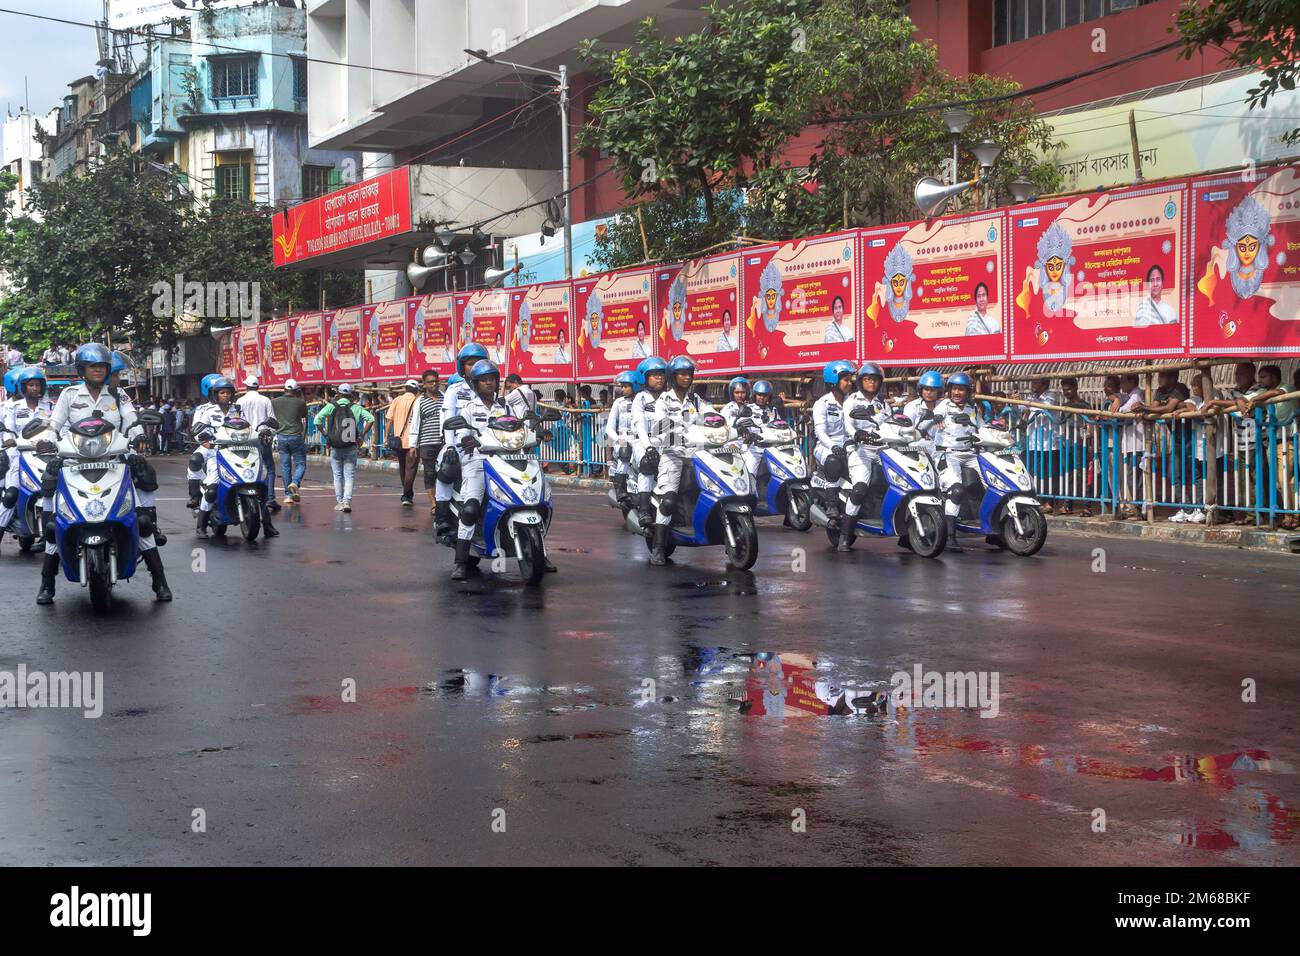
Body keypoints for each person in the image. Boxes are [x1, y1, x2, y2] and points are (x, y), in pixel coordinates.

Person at [40, 344, 171, 603]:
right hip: (74, 462)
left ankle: (159, 580)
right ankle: (47, 584)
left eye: (102, 366)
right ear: (82, 369)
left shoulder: (118, 394)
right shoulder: (69, 395)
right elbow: (54, 425)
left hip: (114, 461)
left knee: (141, 520)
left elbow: (132, 420)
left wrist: (140, 436)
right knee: (55, 523)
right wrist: (47, 440)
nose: (98, 370)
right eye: (93, 366)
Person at [647, 356, 713, 565]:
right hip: (672, 456)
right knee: (668, 500)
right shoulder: (663, 401)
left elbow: (711, 416)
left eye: (689, 374)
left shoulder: (695, 400)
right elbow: (660, 428)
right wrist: (678, 439)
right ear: (673, 377)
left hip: (697, 455)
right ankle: (658, 548)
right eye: (682, 374)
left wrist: (730, 427)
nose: (686, 377)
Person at [447, 360, 509, 580]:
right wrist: (466, 439)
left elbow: (517, 428)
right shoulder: (469, 408)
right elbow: (460, 434)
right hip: (477, 463)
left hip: (503, 462)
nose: (489, 383)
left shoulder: (505, 407)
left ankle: (539, 554)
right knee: (471, 509)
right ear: (475, 384)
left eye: (492, 378)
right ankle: (461, 563)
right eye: (484, 380)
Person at [920, 371, 983, 552]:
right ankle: (949, 537)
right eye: (954, 389)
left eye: (961, 390)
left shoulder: (973, 408)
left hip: (970, 454)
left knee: (992, 482)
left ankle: (996, 531)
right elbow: (922, 427)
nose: (957, 393)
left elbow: (982, 429)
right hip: (947, 454)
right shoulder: (943, 406)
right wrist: (934, 419)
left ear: (968, 392)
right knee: (956, 490)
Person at [432, 344, 490, 539]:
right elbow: (448, 418)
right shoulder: (455, 390)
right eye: (470, 364)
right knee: (447, 467)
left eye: (479, 363)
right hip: (459, 443)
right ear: (461, 367)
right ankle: (441, 519)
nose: (474, 367)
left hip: (489, 445)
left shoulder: (491, 391)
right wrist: (449, 445)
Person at [0, 367, 55, 546]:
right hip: (19, 456)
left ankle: (53, 536)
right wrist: (9, 441)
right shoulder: (15, 408)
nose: (35, 388)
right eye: (31, 385)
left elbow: (58, 429)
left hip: (46, 456)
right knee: (10, 495)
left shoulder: (50, 407)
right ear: (24, 388)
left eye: (38, 385)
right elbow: (7, 431)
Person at [841, 362, 889, 540]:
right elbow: (848, 424)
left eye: (875, 379)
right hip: (860, 450)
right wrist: (856, 434)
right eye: (868, 379)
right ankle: (845, 535)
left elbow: (891, 423)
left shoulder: (882, 403)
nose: (872, 383)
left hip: (882, 449)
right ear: (861, 381)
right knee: (860, 488)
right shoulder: (852, 401)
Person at [812, 360, 857, 551]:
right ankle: (831, 506)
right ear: (833, 381)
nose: (849, 383)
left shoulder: (854, 401)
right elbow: (821, 433)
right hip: (827, 446)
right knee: (833, 462)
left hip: (852, 445)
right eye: (845, 379)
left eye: (850, 379)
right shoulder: (822, 404)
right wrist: (832, 447)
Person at [313, 383, 374, 513]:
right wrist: (362, 435)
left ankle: (340, 502)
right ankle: (347, 501)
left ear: (338, 394)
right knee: (349, 475)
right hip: (350, 446)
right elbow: (371, 418)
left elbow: (317, 420)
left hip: (335, 446)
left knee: (337, 475)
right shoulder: (356, 408)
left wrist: (326, 435)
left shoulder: (331, 406)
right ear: (351, 395)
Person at [236, 375, 280, 535]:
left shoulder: (240, 401)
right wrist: (271, 435)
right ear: (258, 387)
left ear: (246, 386)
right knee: (268, 470)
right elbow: (273, 421)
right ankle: (269, 497)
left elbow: (236, 422)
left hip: (245, 440)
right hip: (262, 439)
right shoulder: (266, 400)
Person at [631, 357, 668, 527]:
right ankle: (644, 509)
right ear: (644, 378)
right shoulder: (640, 398)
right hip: (644, 442)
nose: (659, 378)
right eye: (654, 375)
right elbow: (639, 424)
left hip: (668, 442)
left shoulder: (669, 397)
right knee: (647, 464)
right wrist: (649, 448)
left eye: (661, 374)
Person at [406, 369, 444, 515]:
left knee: (445, 472)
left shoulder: (445, 397)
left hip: (444, 442)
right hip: (426, 442)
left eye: (436, 381)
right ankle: (434, 503)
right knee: (430, 473)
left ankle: (444, 500)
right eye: (430, 382)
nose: (434, 384)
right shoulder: (420, 401)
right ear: (424, 384)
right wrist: (412, 445)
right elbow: (415, 423)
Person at [1022, 377, 1062, 514]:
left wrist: (1027, 405)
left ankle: (1049, 502)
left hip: (1049, 442)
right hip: (1033, 442)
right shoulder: (1031, 397)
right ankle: (1036, 500)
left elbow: (1045, 407)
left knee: (1049, 473)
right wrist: (1017, 401)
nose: (1032, 384)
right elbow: (1021, 409)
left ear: (1045, 384)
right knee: (1034, 473)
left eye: (1035, 382)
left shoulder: (1051, 395)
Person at [271, 379, 309, 503]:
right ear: (296, 390)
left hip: (281, 436)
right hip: (296, 436)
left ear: (284, 389)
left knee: (285, 466)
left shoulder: (275, 402)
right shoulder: (300, 403)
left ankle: (288, 495)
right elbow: (303, 415)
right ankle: (295, 482)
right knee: (301, 463)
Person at [605, 371, 639, 506]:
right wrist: (618, 439)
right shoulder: (618, 403)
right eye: (622, 386)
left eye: (626, 386)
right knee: (625, 452)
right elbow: (609, 428)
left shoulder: (644, 400)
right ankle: (620, 491)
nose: (622, 389)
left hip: (641, 440)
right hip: (624, 439)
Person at [386, 379, 421, 506]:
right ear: (416, 389)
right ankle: (406, 495)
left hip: (398, 440)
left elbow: (389, 420)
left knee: (402, 467)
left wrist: (386, 436)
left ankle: (407, 493)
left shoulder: (397, 400)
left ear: (405, 388)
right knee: (411, 468)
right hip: (413, 440)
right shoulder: (418, 400)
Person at [904, 371, 945, 457]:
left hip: (940, 445)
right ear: (921, 390)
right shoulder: (912, 406)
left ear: (939, 392)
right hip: (916, 446)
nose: (929, 393)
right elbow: (906, 430)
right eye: (926, 389)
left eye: (933, 390)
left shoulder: (943, 406)